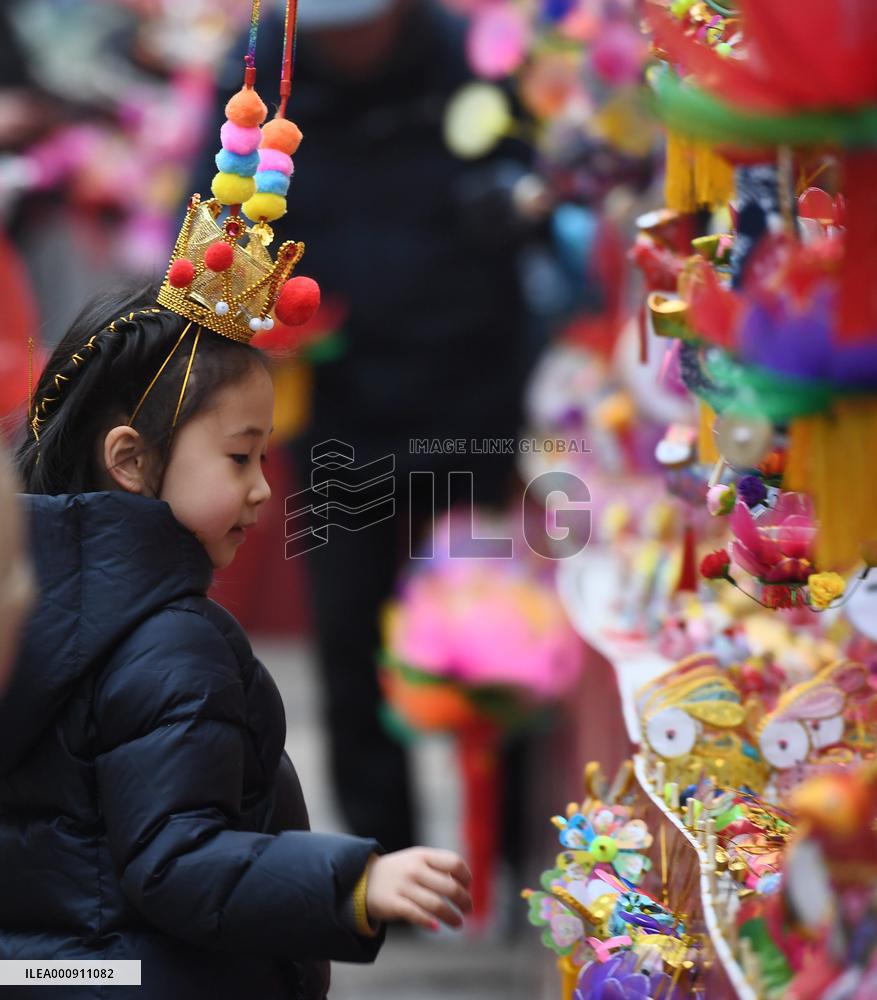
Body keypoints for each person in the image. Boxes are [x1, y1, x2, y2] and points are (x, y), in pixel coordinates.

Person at [0, 286, 472, 1000]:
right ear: (129, 459)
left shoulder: (29, 600)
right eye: (239, 457)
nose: (261, 490)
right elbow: (177, 860)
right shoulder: (171, 641)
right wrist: (355, 883)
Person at [202, 0, 535, 856]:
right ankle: (382, 857)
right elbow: (213, 228)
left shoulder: (476, 63)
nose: (351, 42)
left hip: (471, 394)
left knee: (494, 636)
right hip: (338, 407)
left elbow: (542, 185)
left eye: (365, 23)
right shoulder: (253, 85)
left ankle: (504, 852)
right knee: (349, 636)